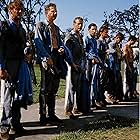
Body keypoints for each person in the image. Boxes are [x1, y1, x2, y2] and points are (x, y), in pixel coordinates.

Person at [34, 3, 74, 125]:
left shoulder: (56, 28)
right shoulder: (40, 25)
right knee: (45, 88)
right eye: (52, 11)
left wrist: (61, 48)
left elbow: (60, 42)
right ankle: (43, 116)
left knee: (54, 88)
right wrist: (46, 57)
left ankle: (51, 114)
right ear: (47, 12)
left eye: (56, 11)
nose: (55, 13)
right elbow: (38, 43)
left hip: (57, 59)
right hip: (47, 59)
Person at [0, 1, 33, 139]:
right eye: (17, 10)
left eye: (21, 10)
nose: (20, 12)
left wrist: (27, 55)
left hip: (20, 65)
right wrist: (1, 68)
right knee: (8, 96)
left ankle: (16, 124)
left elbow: (22, 47)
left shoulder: (23, 29)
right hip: (8, 64)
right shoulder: (4, 25)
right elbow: (0, 48)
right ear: (10, 10)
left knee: (19, 96)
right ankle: (4, 127)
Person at [64, 17, 89, 119]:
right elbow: (67, 52)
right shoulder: (70, 36)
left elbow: (83, 52)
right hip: (72, 65)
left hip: (80, 65)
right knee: (71, 88)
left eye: (81, 24)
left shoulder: (80, 37)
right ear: (73, 24)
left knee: (78, 87)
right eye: (78, 24)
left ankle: (76, 107)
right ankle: (68, 110)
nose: (80, 26)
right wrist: (72, 64)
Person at [84, 23, 103, 109]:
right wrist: (91, 58)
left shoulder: (94, 40)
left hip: (95, 62)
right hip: (89, 62)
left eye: (95, 29)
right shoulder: (86, 38)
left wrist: (98, 59)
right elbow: (84, 51)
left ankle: (93, 100)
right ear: (89, 30)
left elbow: (95, 52)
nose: (95, 31)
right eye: (93, 29)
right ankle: (88, 102)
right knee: (89, 81)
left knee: (94, 82)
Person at [108, 32, 124, 101]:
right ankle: (111, 96)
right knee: (112, 81)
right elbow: (109, 51)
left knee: (117, 81)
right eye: (119, 39)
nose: (119, 40)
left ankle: (117, 96)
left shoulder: (118, 45)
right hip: (112, 64)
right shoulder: (112, 44)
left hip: (116, 65)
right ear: (116, 37)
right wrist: (116, 51)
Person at [122, 35, 137, 101]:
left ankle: (130, 95)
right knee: (128, 81)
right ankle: (126, 96)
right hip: (128, 65)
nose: (134, 43)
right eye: (133, 41)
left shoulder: (130, 47)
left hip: (131, 64)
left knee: (131, 81)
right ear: (131, 40)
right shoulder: (126, 47)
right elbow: (126, 59)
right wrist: (128, 67)